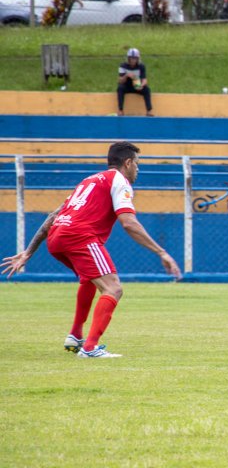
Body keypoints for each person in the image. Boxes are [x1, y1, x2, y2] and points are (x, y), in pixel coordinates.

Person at [1, 142, 181, 358]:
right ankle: (90, 348)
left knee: (89, 279)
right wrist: (161, 252)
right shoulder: (120, 182)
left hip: (57, 237)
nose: (138, 170)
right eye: (137, 165)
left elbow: (52, 217)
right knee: (113, 288)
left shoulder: (89, 181)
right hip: (79, 236)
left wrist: (29, 252)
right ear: (128, 162)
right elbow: (129, 223)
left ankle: (76, 336)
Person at [116, 48, 153, 117]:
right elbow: (120, 80)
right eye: (131, 58)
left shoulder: (141, 66)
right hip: (126, 84)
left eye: (135, 58)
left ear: (138, 59)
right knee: (120, 88)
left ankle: (149, 111)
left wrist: (141, 85)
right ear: (128, 58)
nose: (133, 60)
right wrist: (126, 75)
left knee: (147, 89)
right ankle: (120, 110)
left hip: (136, 83)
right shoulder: (123, 66)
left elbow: (144, 80)